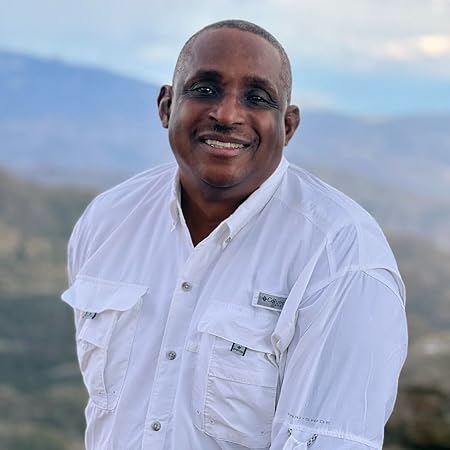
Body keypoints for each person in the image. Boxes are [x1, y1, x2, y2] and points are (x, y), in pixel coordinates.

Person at [62, 19, 407, 450]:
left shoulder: (340, 255)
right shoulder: (108, 221)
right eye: (205, 89)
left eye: (256, 98)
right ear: (166, 106)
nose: (226, 115)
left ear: (288, 126)